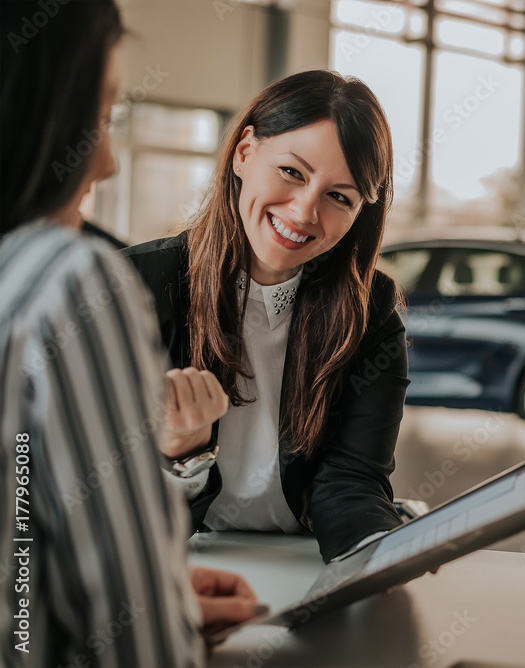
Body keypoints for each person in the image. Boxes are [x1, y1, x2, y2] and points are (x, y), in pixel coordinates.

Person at [0, 1, 260, 665]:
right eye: (100, 119)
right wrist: (158, 612)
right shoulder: (70, 279)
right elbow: (136, 645)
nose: (108, 163)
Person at [123, 69, 409, 563]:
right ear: (244, 152)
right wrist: (180, 458)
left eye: (339, 197)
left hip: (300, 563)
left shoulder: (370, 310)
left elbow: (353, 479)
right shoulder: (133, 288)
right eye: (292, 172)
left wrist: (379, 557)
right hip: (174, 562)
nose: (303, 213)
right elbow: (85, 501)